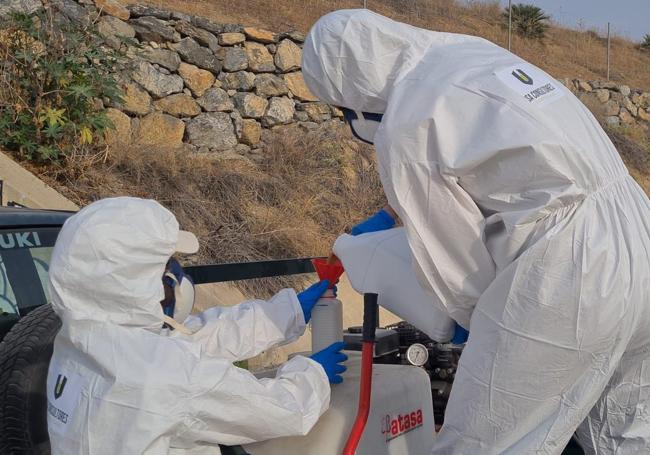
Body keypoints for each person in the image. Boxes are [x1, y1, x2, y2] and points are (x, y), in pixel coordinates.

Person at [302, 9, 650, 455]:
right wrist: (392, 215)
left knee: (484, 442)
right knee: (623, 434)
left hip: (573, 272)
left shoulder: (406, 121)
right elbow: (512, 165)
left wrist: (478, 327)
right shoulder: (470, 54)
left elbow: (457, 270)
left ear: (346, 91)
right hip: (636, 232)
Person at [46, 197, 347, 454]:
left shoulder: (78, 340)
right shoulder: (167, 377)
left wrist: (285, 313)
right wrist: (312, 373)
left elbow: (188, 341)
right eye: (166, 265)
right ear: (131, 279)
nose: (174, 276)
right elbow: (280, 410)